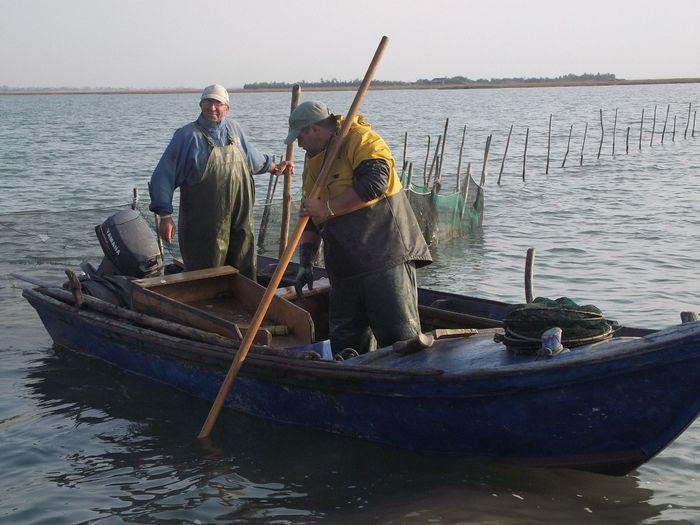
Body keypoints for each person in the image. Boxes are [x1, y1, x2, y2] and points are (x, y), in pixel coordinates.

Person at [285, 101, 432, 355]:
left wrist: (328, 208)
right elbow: (310, 216)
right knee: (347, 344)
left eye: (300, 137)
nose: (298, 144)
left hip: (385, 257)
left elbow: (375, 183)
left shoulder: (360, 139)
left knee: (400, 337)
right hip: (344, 267)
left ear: (313, 130)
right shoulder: (313, 161)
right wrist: (306, 263)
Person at [149, 84, 291, 280]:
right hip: (203, 226)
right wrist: (165, 216)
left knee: (244, 260)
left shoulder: (234, 129)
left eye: (218, 103)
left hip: (239, 219)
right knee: (206, 271)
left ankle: (245, 301)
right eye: (208, 102)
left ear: (227, 108)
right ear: (201, 105)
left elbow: (252, 158)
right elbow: (163, 176)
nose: (212, 107)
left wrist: (275, 168)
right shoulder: (187, 136)